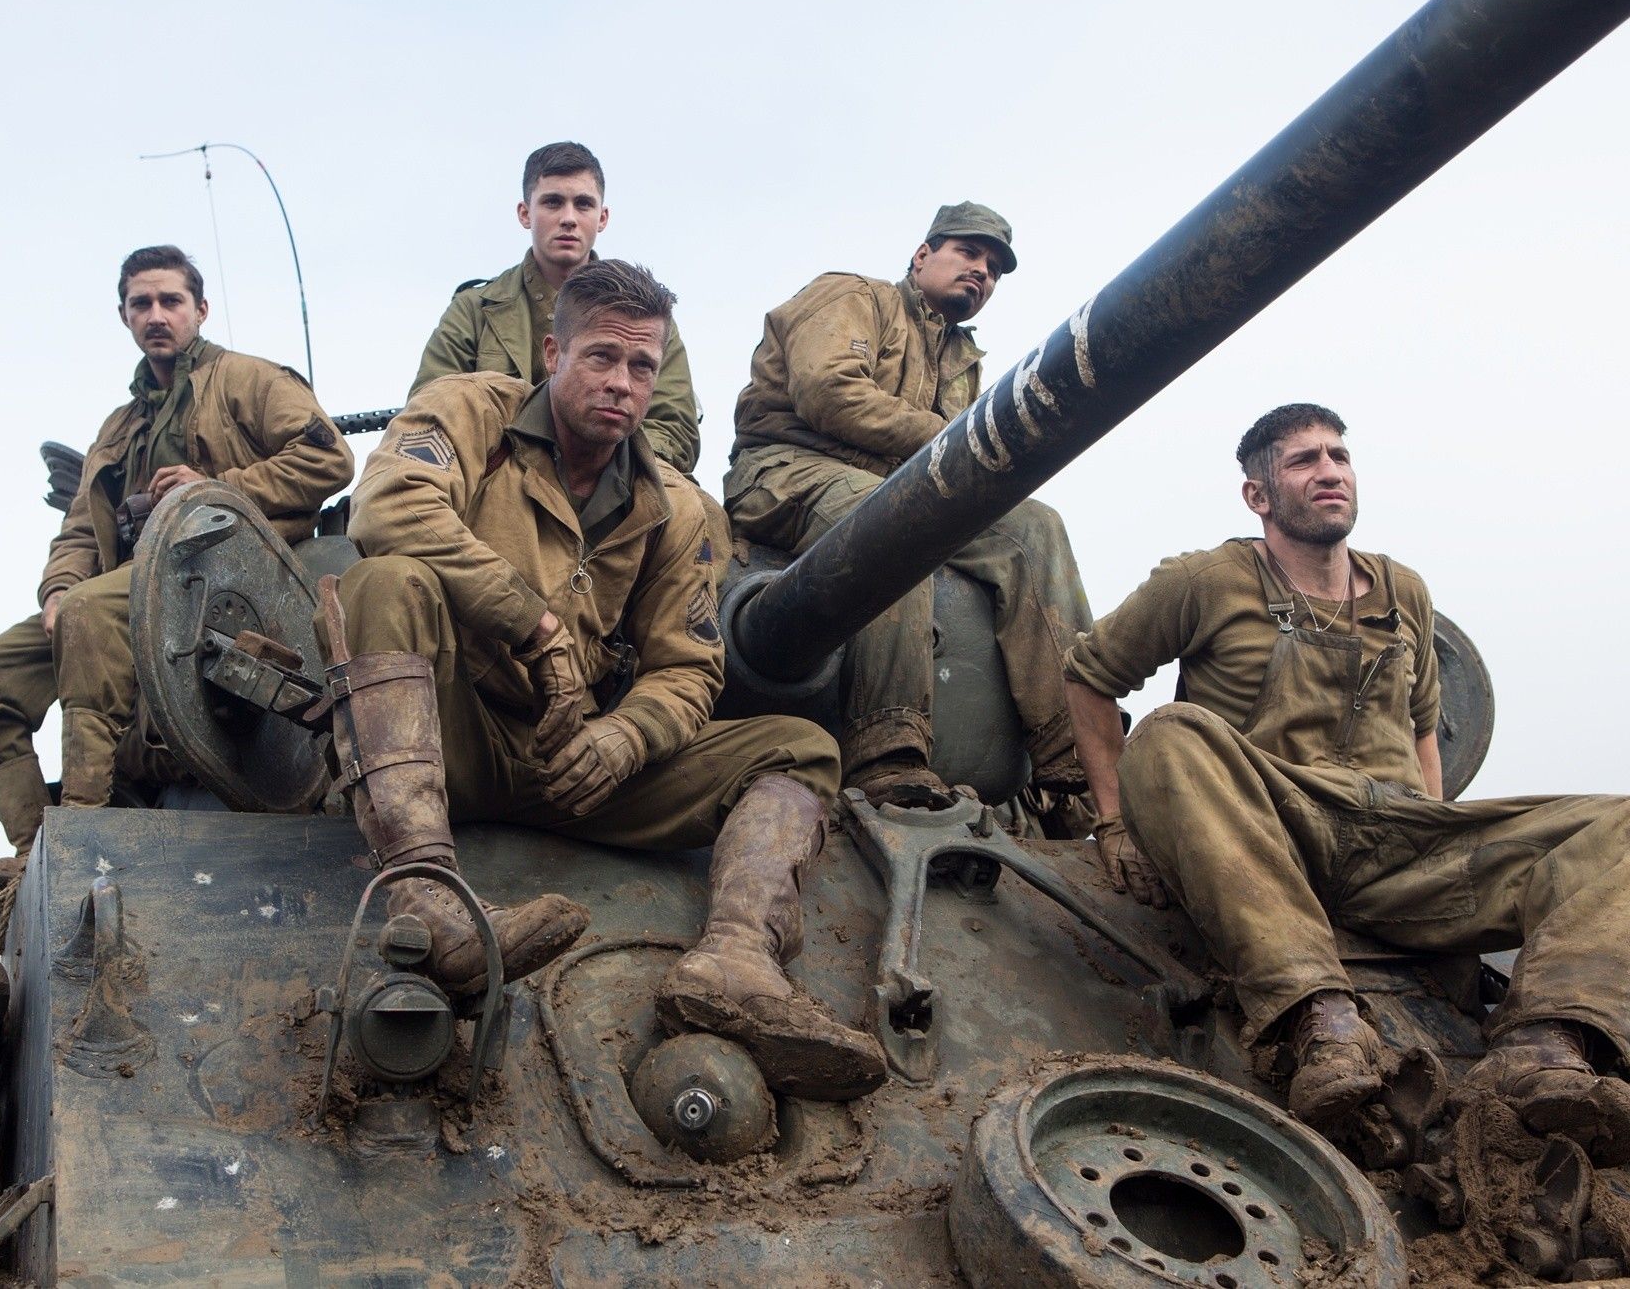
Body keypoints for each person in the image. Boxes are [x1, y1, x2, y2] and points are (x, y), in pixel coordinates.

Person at [1062, 403, 1630, 1163]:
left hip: (1400, 842)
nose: (1329, 471)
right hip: (1274, 824)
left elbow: (1424, 730)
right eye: (1302, 460)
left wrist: (1441, 841)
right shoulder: (1206, 580)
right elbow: (1090, 674)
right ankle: (1320, 1020)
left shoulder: (1404, 592)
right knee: (1168, 733)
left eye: (1339, 456)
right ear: (1258, 494)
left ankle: (1547, 1043)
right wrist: (1115, 821)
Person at [331, 258, 885, 1101]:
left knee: (798, 747)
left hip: (575, 763)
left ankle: (736, 960)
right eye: (600, 357)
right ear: (552, 352)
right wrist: (533, 621)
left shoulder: (677, 509)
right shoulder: (469, 413)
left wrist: (625, 736)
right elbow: (387, 509)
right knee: (382, 584)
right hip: (449, 735)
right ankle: (428, 901)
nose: (620, 383)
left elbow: (690, 666)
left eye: (640, 367)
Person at [0, 245, 355, 858]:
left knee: (87, 612)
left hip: (226, 574)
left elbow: (329, 459)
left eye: (171, 301)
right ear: (124, 315)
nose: (156, 314)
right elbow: (82, 527)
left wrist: (217, 490)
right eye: (142, 303)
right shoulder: (120, 425)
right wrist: (56, 588)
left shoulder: (250, 380)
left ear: (201, 309)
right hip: (133, 583)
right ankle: (37, 849)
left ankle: (84, 820)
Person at [724, 203, 1095, 810]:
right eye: (969, 253)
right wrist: (951, 440)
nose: (982, 272)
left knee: (1034, 527)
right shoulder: (853, 296)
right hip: (782, 471)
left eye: (995, 269)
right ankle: (887, 748)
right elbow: (827, 390)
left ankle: (1075, 749)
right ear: (923, 254)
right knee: (896, 516)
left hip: (902, 488)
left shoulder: (963, 362)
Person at [411, 141, 701, 475]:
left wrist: (599, 466)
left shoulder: (644, 317)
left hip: (611, 491)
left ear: (602, 217)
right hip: (491, 484)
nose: (568, 219)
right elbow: (429, 410)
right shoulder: (474, 311)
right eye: (552, 202)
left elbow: (674, 429)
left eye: (583, 204)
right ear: (525, 213)